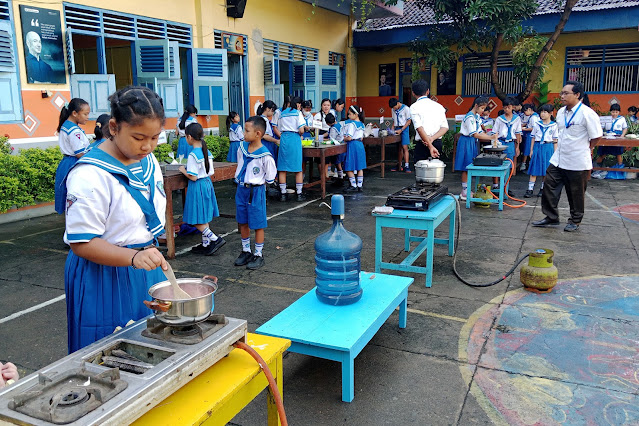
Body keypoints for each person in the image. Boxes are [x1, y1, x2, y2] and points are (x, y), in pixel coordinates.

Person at [64, 86, 169, 352]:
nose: (147, 145)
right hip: (102, 275)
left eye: (155, 137)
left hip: (143, 266)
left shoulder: (147, 159)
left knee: (151, 343)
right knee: (108, 354)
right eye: (138, 137)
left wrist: (145, 256)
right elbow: (82, 243)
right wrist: (133, 258)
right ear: (113, 127)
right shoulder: (89, 175)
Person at [532, 81, 602, 232]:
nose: (561, 96)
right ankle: (551, 217)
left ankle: (575, 221)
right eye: (561, 93)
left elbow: (596, 136)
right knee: (549, 186)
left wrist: (587, 148)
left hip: (577, 159)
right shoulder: (562, 112)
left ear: (577, 95)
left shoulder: (587, 114)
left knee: (575, 193)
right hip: (559, 158)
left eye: (566, 93)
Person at [233, 116, 277, 270]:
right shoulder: (242, 148)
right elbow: (240, 166)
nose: (244, 133)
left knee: (258, 224)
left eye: (247, 130)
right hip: (241, 189)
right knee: (243, 221)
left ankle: (258, 254)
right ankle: (246, 251)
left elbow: (270, 177)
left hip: (256, 191)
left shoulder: (265, 155)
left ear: (258, 134)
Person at [179, 122, 225, 255]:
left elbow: (192, 177)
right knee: (203, 216)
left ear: (189, 137)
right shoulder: (207, 152)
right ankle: (206, 244)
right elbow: (210, 171)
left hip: (197, 186)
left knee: (195, 219)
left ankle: (214, 239)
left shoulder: (193, 154)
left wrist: (182, 170)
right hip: (206, 183)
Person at [456, 96, 498, 201]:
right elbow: (474, 134)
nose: (483, 111)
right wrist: (491, 137)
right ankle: (464, 190)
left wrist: (490, 136)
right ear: (476, 106)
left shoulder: (477, 117)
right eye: (482, 108)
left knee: (470, 165)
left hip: (472, 142)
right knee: (465, 166)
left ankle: (468, 188)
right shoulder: (469, 117)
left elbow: (480, 132)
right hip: (466, 141)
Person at [54, 98, 91, 215]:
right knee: (75, 196)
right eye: (85, 114)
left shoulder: (66, 125)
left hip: (67, 162)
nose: (87, 117)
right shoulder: (74, 131)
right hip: (74, 164)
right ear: (74, 113)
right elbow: (80, 153)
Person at [276, 96, 306, 202]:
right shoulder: (298, 113)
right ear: (298, 105)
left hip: (284, 139)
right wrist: (300, 133)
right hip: (294, 139)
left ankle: (283, 193)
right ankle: (299, 193)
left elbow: (278, 128)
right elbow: (301, 130)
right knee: (297, 167)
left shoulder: (282, 113)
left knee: (282, 168)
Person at [409, 79, 447, 161]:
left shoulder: (414, 107)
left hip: (422, 144)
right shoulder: (439, 106)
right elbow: (445, 127)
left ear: (413, 93)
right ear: (428, 91)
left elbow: (419, 128)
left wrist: (430, 145)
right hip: (437, 142)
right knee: (436, 171)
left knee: (420, 171)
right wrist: (432, 139)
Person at [525, 104, 558, 198]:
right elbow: (533, 137)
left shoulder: (554, 126)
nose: (542, 114)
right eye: (541, 112)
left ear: (551, 113)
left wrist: (555, 154)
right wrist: (531, 150)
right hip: (538, 146)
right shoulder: (537, 124)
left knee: (546, 170)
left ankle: (543, 189)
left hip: (548, 147)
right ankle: (530, 189)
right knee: (534, 169)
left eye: (545, 112)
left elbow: (555, 140)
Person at [592, 104, 628, 179]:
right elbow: (601, 127)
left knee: (618, 153)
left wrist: (622, 136)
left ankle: (620, 170)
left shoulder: (622, 119)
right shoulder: (606, 118)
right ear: (610, 112)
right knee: (602, 154)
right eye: (613, 112)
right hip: (607, 138)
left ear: (619, 112)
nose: (614, 114)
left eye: (616, 112)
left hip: (617, 138)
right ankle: (594, 168)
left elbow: (625, 128)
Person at [491, 97, 522, 180]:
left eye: (508, 107)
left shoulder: (517, 119)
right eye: (505, 108)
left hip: (511, 143)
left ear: (513, 107)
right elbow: (495, 132)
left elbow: (518, 133)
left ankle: (506, 185)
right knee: (498, 163)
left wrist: (517, 147)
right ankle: (496, 185)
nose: (506, 109)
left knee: (508, 164)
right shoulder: (499, 119)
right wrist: (495, 143)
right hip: (501, 142)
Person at [343, 105, 367, 193]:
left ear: (355, 114)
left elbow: (349, 137)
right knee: (360, 166)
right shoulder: (362, 124)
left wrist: (343, 138)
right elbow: (362, 137)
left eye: (349, 114)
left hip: (353, 145)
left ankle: (353, 185)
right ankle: (360, 185)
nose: (348, 116)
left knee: (349, 166)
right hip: (360, 145)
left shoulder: (352, 124)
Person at [388, 97, 413, 173]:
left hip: (404, 128)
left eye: (394, 107)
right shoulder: (393, 109)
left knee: (404, 147)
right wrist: (392, 130)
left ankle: (407, 165)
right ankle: (399, 165)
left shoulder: (406, 109)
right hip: (397, 128)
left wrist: (401, 130)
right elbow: (394, 121)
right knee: (398, 148)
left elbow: (409, 121)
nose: (394, 109)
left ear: (398, 103)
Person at [326, 112, 346, 185]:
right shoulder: (339, 124)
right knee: (340, 163)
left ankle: (340, 178)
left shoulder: (333, 128)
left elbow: (332, 139)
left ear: (328, 123)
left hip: (338, 147)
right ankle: (340, 177)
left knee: (338, 164)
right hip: (343, 145)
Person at [520, 104, 540, 172]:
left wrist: (524, 129)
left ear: (529, 110)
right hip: (531, 135)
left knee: (528, 150)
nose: (525, 114)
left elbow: (534, 128)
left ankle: (525, 165)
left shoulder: (533, 117)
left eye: (525, 111)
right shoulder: (535, 116)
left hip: (531, 135)